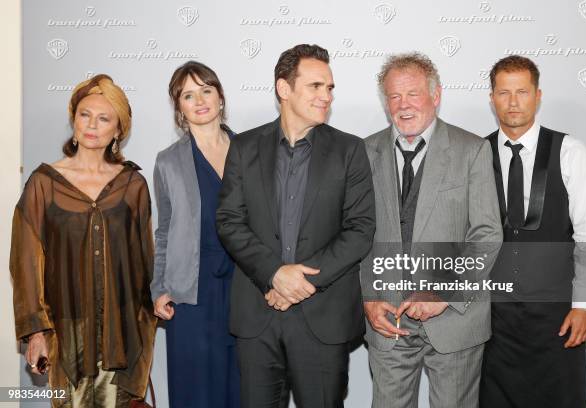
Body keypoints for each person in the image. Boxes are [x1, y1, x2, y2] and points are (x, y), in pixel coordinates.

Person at [216, 44, 376, 408]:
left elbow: (360, 229)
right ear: (283, 89)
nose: (326, 96)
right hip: (257, 315)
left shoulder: (349, 150)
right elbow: (228, 220)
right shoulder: (243, 147)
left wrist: (297, 282)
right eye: (316, 86)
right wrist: (273, 274)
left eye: (330, 88)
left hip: (321, 317)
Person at [360, 52, 502, 408]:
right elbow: (355, 234)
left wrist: (442, 294)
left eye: (412, 94)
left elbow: (486, 235)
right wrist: (367, 297)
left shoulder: (472, 150)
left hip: (455, 319)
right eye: (394, 96)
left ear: (435, 96)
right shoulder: (364, 152)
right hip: (387, 320)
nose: (403, 105)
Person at [10, 74, 156, 407]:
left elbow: (146, 262)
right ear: (73, 119)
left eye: (104, 118)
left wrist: (157, 303)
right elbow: (26, 264)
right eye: (84, 114)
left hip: (122, 333)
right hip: (66, 331)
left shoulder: (132, 185)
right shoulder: (43, 183)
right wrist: (35, 332)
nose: (92, 125)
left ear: (118, 130)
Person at [479, 55, 586, 408]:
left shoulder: (570, 151)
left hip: (557, 315)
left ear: (538, 95)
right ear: (492, 98)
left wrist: (583, 305)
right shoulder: (476, 153)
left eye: (522, 91)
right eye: (504, 93)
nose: (514, 102)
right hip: (495, 320)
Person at [150, 61, 239, 408]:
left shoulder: (250, 150)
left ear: (220, 97)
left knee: (241, 387)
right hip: (190, 292)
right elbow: (164, 231)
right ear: (179, 109)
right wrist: (159, 288)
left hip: (244, 288)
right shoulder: (168, 162)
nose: (199, 100)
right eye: (188, 95)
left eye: (206, 90)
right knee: (196, 393)